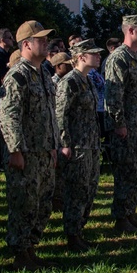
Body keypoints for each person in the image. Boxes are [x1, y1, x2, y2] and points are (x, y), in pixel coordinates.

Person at [0, 20, 57, 271]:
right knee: (24, 203)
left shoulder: (43, 72)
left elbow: (49, 112)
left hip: (44, 150)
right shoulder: (18, 75)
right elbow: (8, 114)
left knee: (41, 203)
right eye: (40, 40)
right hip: (26, 151)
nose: (46, 44)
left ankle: (31, 247)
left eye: (46, 40)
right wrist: (15, 149)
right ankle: (20, 252)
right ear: (26, 45)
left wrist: (54, 144)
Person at [104, 14, 137, 233]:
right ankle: (121, 218)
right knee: (125, 172)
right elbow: (114, 96)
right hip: (126, 128)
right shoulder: (119, 58)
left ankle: (130, 213)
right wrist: (119, 124)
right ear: (130, 30)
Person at [55, 39, 103, 252]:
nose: (99, 56)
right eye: (94, 53)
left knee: (89, 189)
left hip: (90, 144)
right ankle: (72, 234)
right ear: (81, 57)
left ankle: (79, 230)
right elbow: (61, 115)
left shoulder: (87, 80)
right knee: (77, 191)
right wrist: (65, 144)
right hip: (77, 146)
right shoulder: (70, 82)